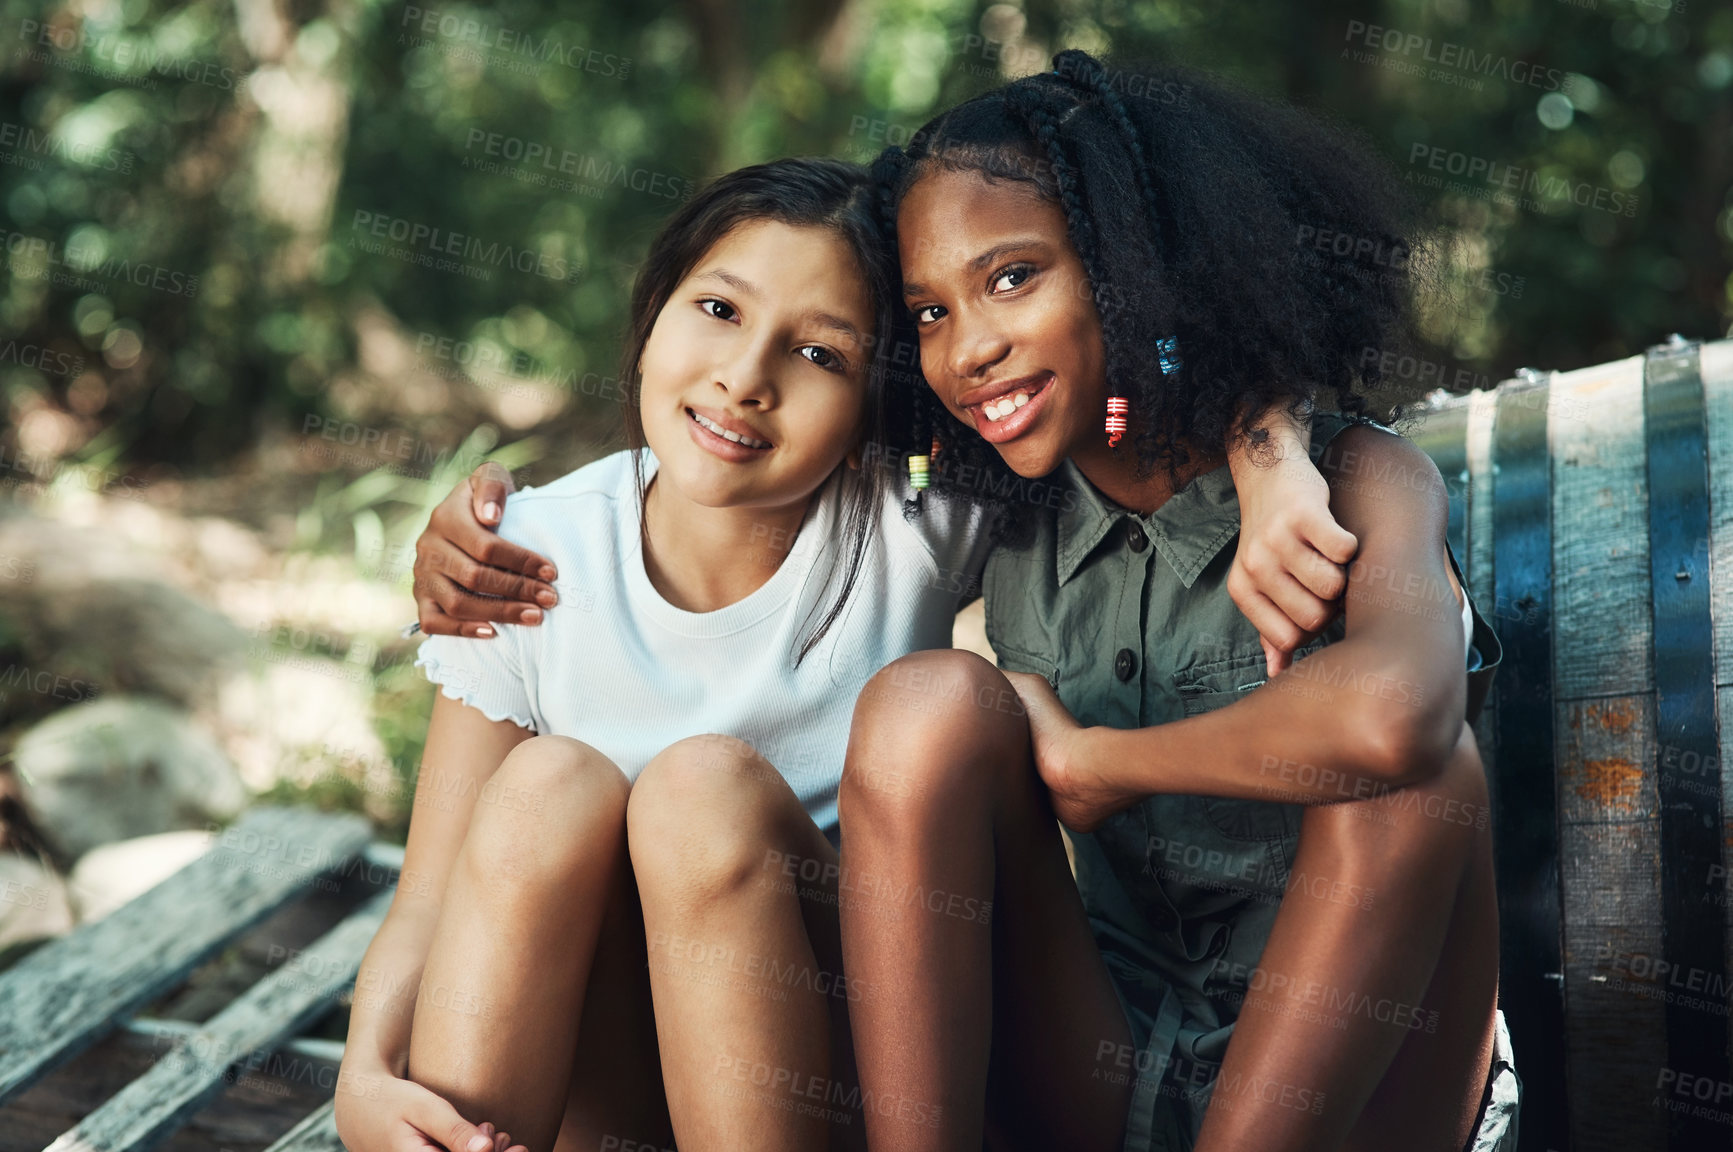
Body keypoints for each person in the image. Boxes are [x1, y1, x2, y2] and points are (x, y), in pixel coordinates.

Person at [353, 154, 1336, 1152]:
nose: (744, 379)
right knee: (540, 786)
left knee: (699, 793)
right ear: (652, 310)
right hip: (604, 1087)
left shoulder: (912, 525)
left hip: (833, 1074)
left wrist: (1274, 457)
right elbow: (430, 894)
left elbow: (1132, 381)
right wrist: (360, 1075)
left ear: (880, 399)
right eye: (718, 310)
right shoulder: (525, 555)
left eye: (819, 356)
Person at [836, 50, 1514, 1152]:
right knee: (924, 704)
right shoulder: (990, 520)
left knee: (1423, 769)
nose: (968, 349)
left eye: (1012, 277)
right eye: (926, 313)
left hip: (1372, 1091)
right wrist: (503, 537)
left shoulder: (1356, 479)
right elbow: (736, 482)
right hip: (1112, 1049)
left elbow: (1392, 720)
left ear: (1132, 269)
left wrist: (1093, 766)